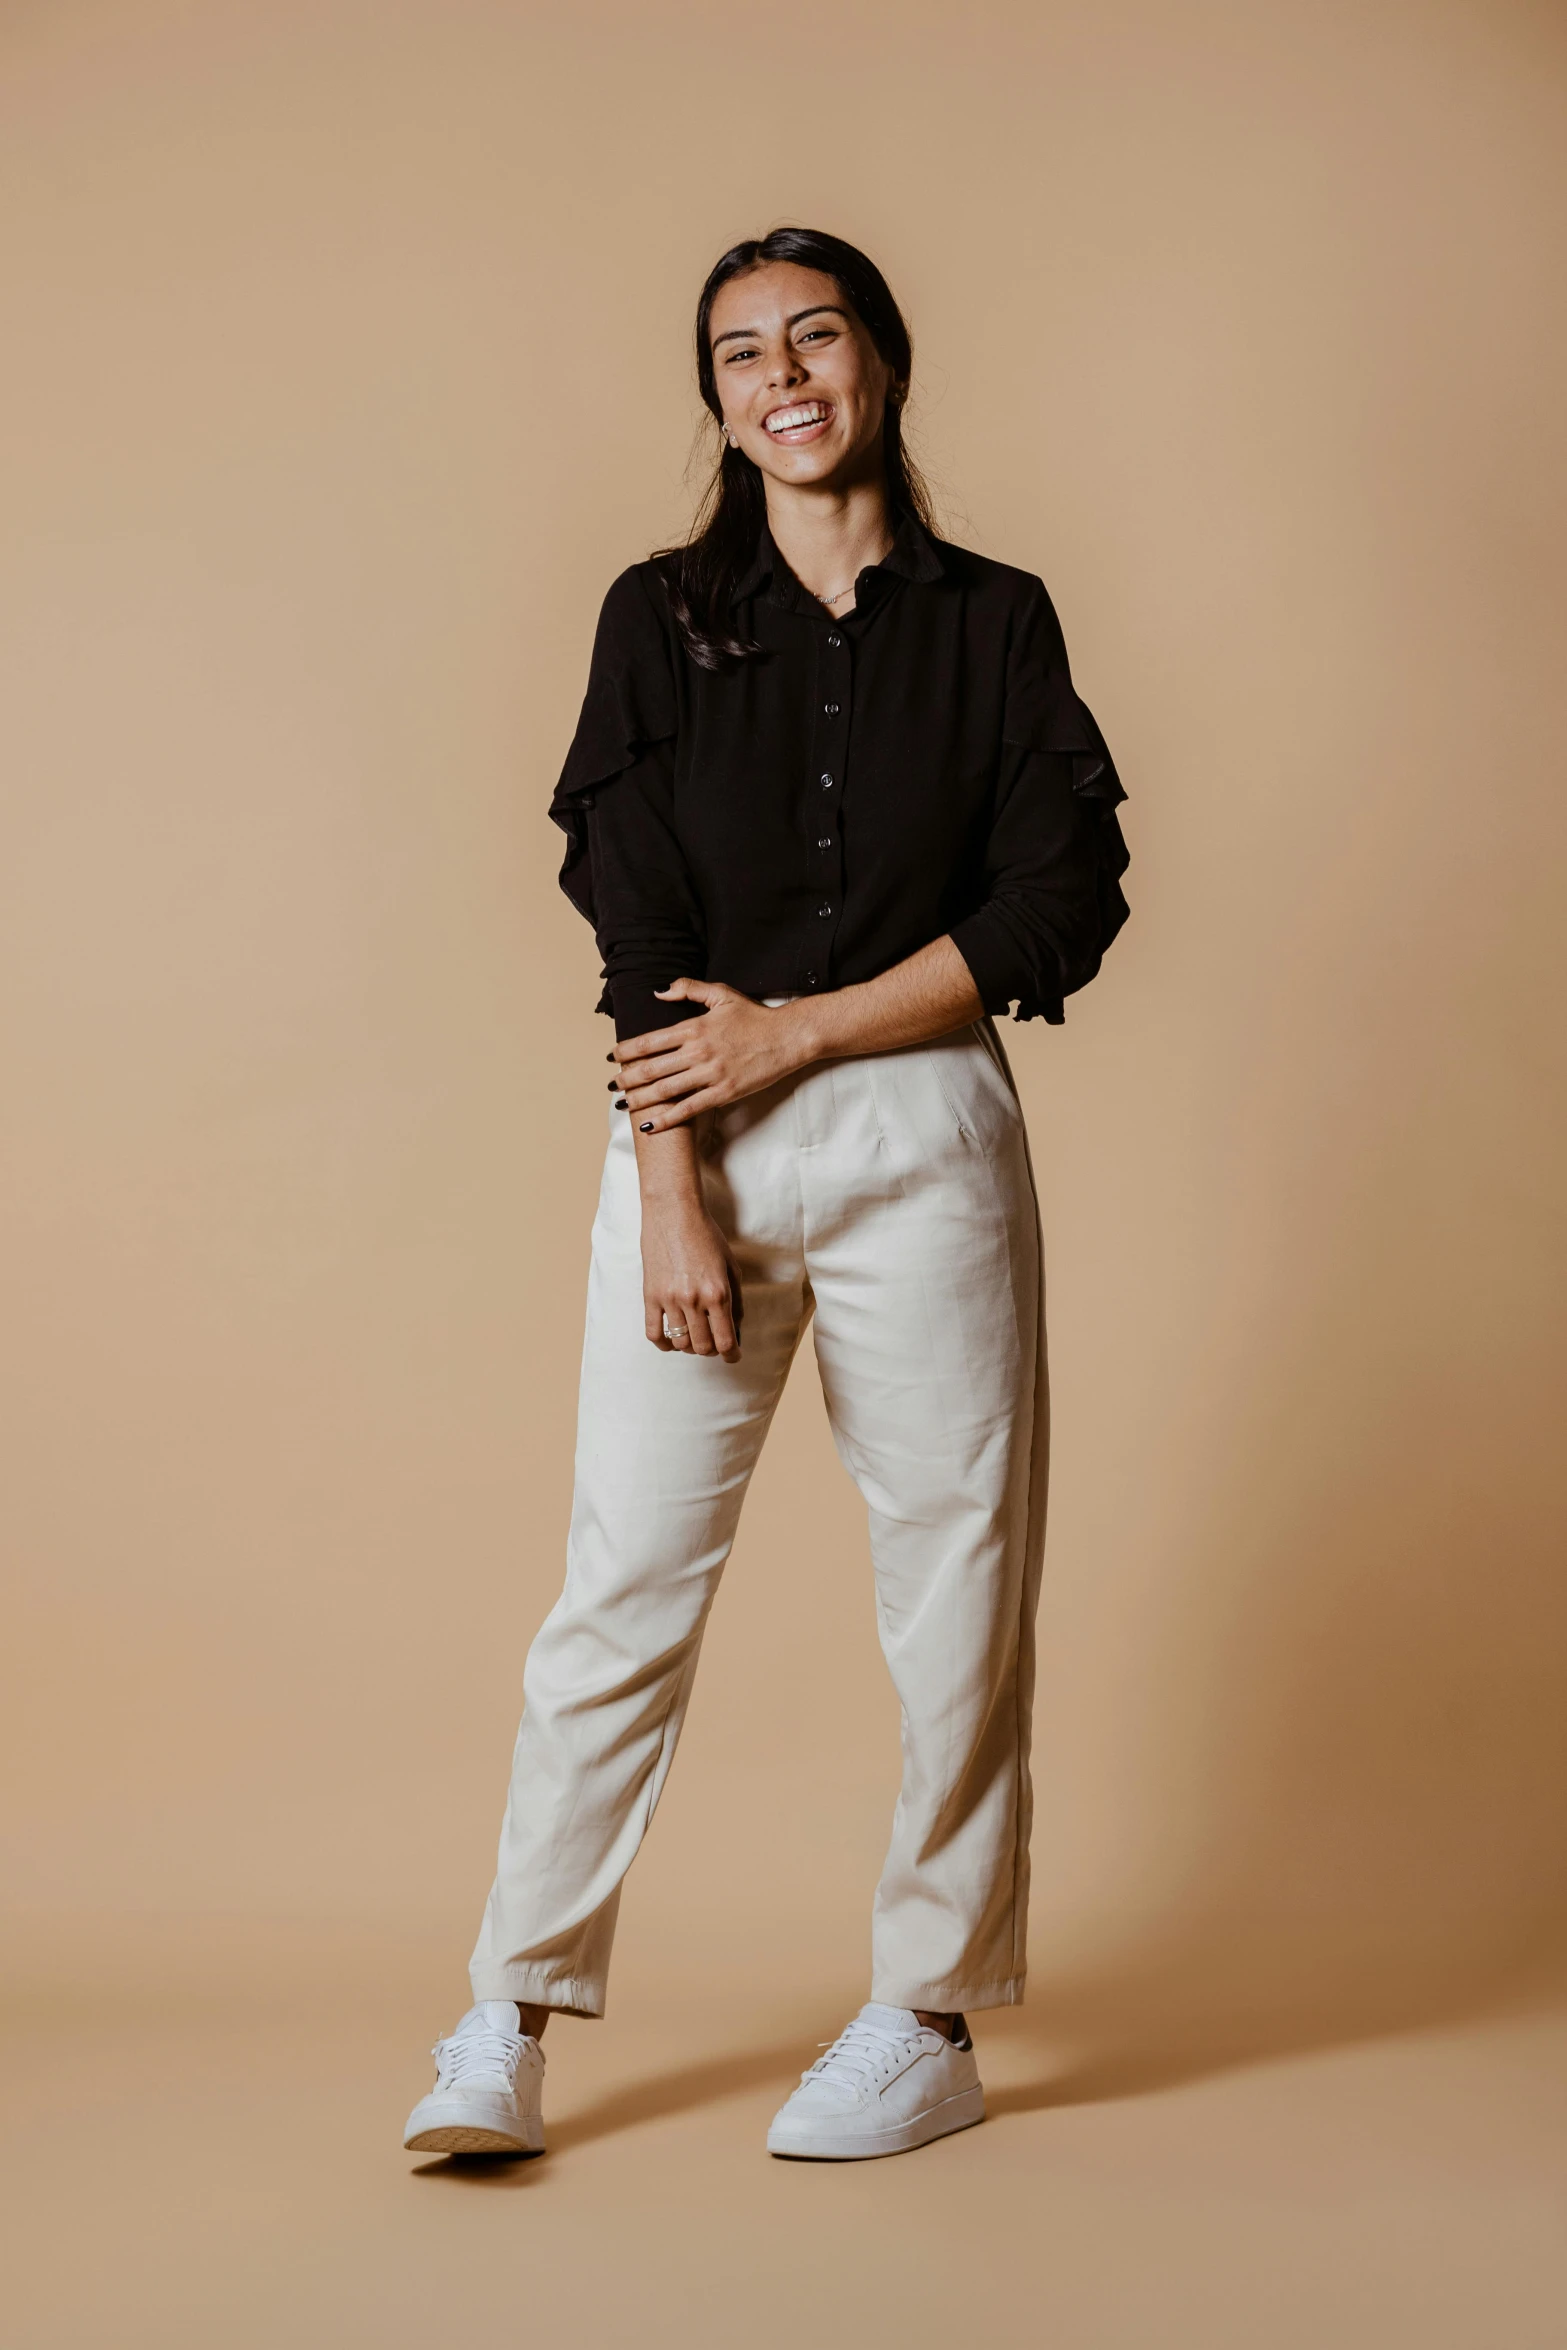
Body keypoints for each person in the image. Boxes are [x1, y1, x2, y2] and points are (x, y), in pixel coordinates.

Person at [404, 225, 1129, 2165]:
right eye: (742, 351)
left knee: (959, 1588)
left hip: (922, 1139)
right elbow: (632, 913)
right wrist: (669, 1184)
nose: (784, 373)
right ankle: (509, 2009)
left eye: (818, 334)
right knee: (620, 1587)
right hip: (691, 1145)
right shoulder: (659, 614)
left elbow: (1060, 902)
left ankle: (925, 2012)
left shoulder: (997, 621)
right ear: (715, 398)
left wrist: (801, 1031)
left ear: (885, 357)